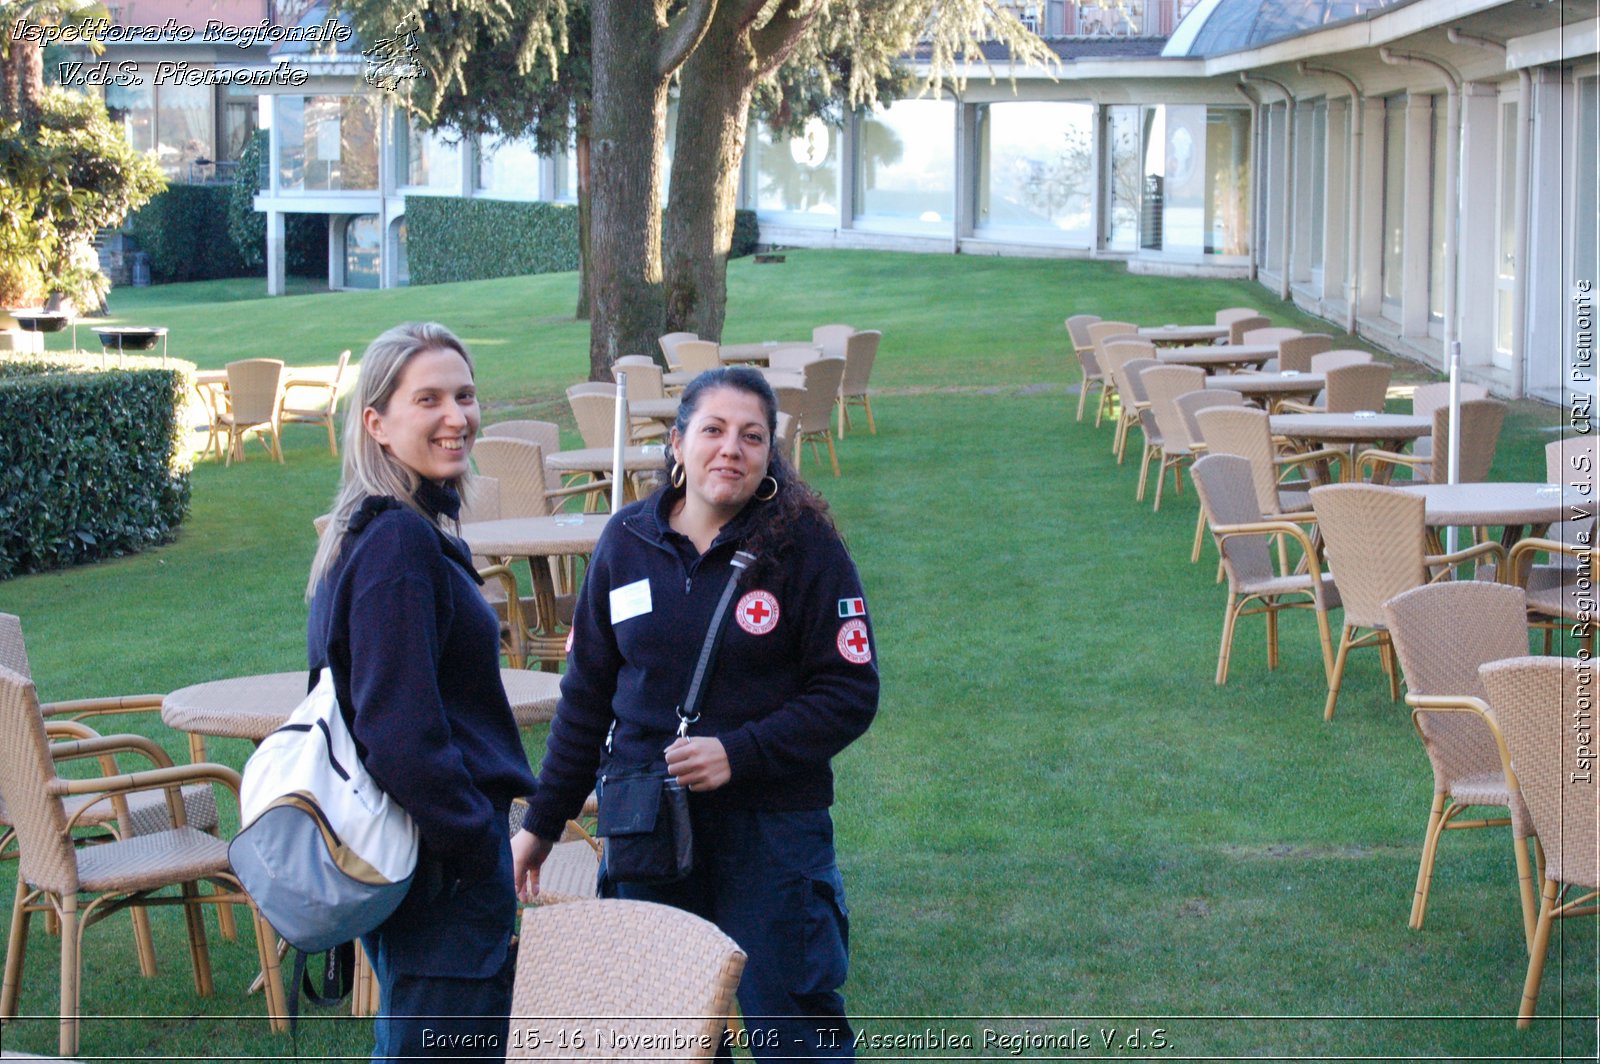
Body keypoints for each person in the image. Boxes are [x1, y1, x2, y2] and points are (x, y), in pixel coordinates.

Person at [512, 366, 879, 1062]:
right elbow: (586, 699)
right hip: (648, 828)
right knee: (664, 1033)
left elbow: (850, 692)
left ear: (772, 454)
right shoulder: (626, 543)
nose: (730, 449)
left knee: (796, 1031)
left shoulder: (805, 549)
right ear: (677, 443)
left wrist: (738, 752)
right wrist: (541, 821)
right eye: (713, 431)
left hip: (774, 831)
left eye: (752, 436)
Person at [306, 322, 536, 1062]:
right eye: (428, 399)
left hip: (424, 864)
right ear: (376, 423)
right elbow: (399, 733)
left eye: (465, 396)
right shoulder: (398, 543)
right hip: (441, 872)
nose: (456, 416)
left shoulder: (390, 529)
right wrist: (475, 846)